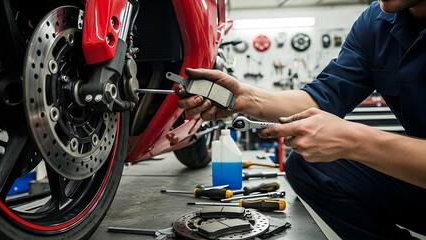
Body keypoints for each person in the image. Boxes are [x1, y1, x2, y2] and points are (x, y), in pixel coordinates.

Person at [176, 0, 426, 239]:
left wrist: (354, 140)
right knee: (309, 164)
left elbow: (351, 136)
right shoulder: (376, 22)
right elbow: (322, 96)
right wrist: (244, 98)